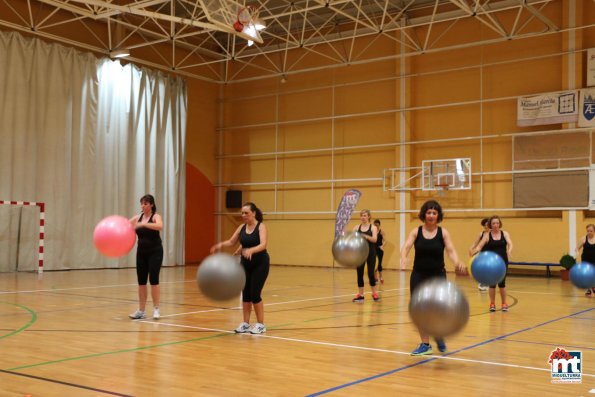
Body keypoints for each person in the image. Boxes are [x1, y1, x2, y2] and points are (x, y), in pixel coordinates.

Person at [400, 200, 466, 356]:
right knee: (420, 310)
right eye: (428, 212)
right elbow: (407, 246)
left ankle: (439, 334)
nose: (431, 215)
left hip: (437, 275)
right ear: (424, 214)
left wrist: (457, 262)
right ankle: (425, 344)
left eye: (434, 213)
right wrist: (403, 257)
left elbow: (450, 251)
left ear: (438, 216)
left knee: (439, 309)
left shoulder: (443, 233)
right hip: (418, 275)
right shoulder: (416, 231)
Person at [211, 202, 270, 334]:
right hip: (245, 263)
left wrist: (251, 250)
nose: (243, 215)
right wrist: (219, 245)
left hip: (260, 263)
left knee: (255, 294)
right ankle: (245, 323)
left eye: (246, 213)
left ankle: (261, 324)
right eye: (242, 213)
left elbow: (263, 244)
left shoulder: (261, 227)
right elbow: (232, 241)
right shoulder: (241, 227)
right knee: (246, 294)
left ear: (253, 213)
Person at [129, 194, 164, 320]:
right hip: (141, 253)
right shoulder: (138, 217)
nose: (143, 206)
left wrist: (143, 225)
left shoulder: (156, 216)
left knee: (154, 280)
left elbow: (160, 226)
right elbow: (125, 225)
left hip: (155, 252)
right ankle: (141, 310)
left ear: (151, 205)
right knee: (141, 282)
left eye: (145, 203)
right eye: (142, 203)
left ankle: (156, 309)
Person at [472, 215, 513, 312]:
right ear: (491, 224)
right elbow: (480, 246)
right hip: (491, 264)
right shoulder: (487, 235)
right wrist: (474, 251)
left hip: (503, 262)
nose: (495, 225)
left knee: (502, 283)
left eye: (497, 223)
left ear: (500, 224)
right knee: (492, 284)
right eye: (493, 223)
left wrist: (509, 250)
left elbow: (510, 243)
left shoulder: (505, 233)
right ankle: (492, 303)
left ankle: (504, 303)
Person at [352, 210, 380, 302]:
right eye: (361, 216)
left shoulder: (373, 228)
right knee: (359, 273)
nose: (363, 217)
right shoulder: (356, 227)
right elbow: (352, 239)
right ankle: (361, 295)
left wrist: (366, 236)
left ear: (368, 217)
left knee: (371, 274)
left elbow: (375, 240)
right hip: (360, 253)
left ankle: (374, 293)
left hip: (371, 253)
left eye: (365, 215)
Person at [469, 218, 490, 292]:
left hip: (490, 255)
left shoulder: (492, 234)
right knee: (482, 270)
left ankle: (487, 283)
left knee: (488, 270)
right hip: (482, 254)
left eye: (487, 225)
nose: (486, 226)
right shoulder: (481, 234)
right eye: (485, 225)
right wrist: (471, 249)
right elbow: (475, 243)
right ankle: (483, 283)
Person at [575, 224, 595, 297]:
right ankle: (591, 291)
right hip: (586, 261)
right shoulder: (583, 239)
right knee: (589, 276)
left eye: (591, 231)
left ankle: (592, 288)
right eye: (588, 231)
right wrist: (577, 253)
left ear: (594, 231)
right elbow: (577, 248)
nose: (589, 232)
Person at [374, 219, 386, 284]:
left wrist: (382, 246)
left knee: (379, 264)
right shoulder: (372, 232)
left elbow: (385, 240)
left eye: (377, 225)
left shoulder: (381, 232)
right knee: (374, 264)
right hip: (373, 250)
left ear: (379, 225)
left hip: (379, 250)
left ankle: (381, 277)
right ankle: (375, 278)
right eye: (375, 225)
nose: (376, 226)